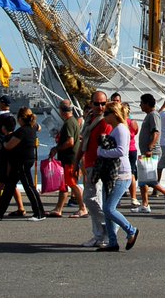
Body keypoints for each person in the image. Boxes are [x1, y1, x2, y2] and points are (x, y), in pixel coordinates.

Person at [93, 104, 140, 251]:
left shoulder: (120, 129)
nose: (104, 116)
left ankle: (131, 230)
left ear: (114, 113)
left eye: (107, 113)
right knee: (107, 210)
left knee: (109, 208)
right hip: (112, 173)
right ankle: (112, 241)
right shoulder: (116, 129)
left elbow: (121, 151)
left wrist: (101, 152)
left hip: (121, 173)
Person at [0, 107, 44, 220]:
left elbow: (9, 146)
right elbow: (39, 127)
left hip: (22, 162)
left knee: (29, 187)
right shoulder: (33, 127)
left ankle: (39, 213)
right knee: (9, 186)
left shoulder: (22, 131)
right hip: (24, 160)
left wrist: (3, 140)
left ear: (20, 119)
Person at [73, 91, 109, 247]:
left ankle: (108, 228)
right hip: (89, 163)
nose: (100, 107)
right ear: (91, 103)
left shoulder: (105, 121)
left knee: (91, 198)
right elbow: (83, 143)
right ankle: (98, 235)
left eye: (103, 103)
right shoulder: (90, 120)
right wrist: (76, 162)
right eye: (97, 103)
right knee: (93, 199)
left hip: (99, 165)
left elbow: (105, 144)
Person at [133, 93, 165, 214]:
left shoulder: (153, 115)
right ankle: (145, 204)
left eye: (142, 103)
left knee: (148, 179)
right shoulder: (150, 115)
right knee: (143, 179)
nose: (140, 105)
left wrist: (150, 147)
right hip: (146, 151)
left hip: (151, 152)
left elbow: (156, 133)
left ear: (147, 103)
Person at [48, 100, 83, 217]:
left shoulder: (69, 123)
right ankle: (58, 208)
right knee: (64, 184)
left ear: (61, 111)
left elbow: (70, 142)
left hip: (69, 158)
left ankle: (83, 207)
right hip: (69, 158)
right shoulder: (72, 122)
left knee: (71, 183)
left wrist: (56, 149)